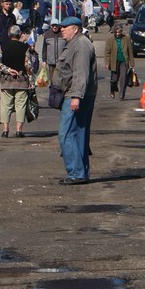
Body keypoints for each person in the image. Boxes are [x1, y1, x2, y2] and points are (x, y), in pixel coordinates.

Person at [52, 16, 97, 183]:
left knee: (66, 133)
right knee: (78, 134)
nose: (62, 30)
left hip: (75, 95)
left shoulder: (80, 45)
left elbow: (80, 73)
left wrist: (76, 97)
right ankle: (80, 173)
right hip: (77, 94)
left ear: (76, 29)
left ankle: (76, 172)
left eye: (66, 27)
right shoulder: (75, 43)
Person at [0, 24, 35, 138]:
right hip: (21, 80)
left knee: (6, 105)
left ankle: (5, 130)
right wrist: (31, 82)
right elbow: (28, 66)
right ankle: (19, 130)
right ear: (20, 34)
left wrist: (7, 70)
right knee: (21, 105)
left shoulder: (3, 46)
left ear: (8, 34)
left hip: (6, 80)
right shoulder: (25, 47)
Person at [104, 22, 130, 100]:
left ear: (121, 31)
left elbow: (130, 51)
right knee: (114, 79)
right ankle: (112, 89)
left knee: (123, 78)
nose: (118, 34)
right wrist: (107, 62)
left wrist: (132, 63)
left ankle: (121, 95)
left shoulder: (126, 38)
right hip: (114, 61)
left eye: (119, 32)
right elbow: (107, 52)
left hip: (123, 61)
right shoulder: (110, 40)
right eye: (116, 32)